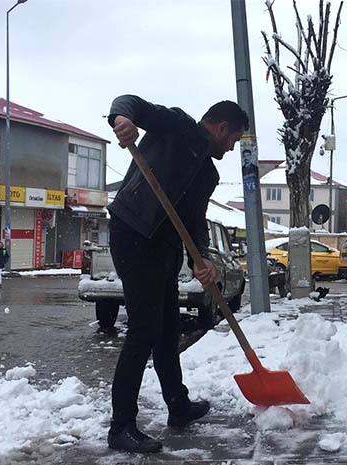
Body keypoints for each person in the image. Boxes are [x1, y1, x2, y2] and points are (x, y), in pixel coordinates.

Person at [105, 95, 248, 453]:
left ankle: (178, 406)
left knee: (168, 329)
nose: (231, 149)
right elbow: (131, 103)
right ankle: (121, 426)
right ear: (222, 127)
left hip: (164, 249)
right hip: (133, 233)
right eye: (233, 140)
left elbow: (194, 221)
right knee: (144, 329)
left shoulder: (209, 174)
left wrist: (201, 258)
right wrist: (122, 119)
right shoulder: (178, 127)